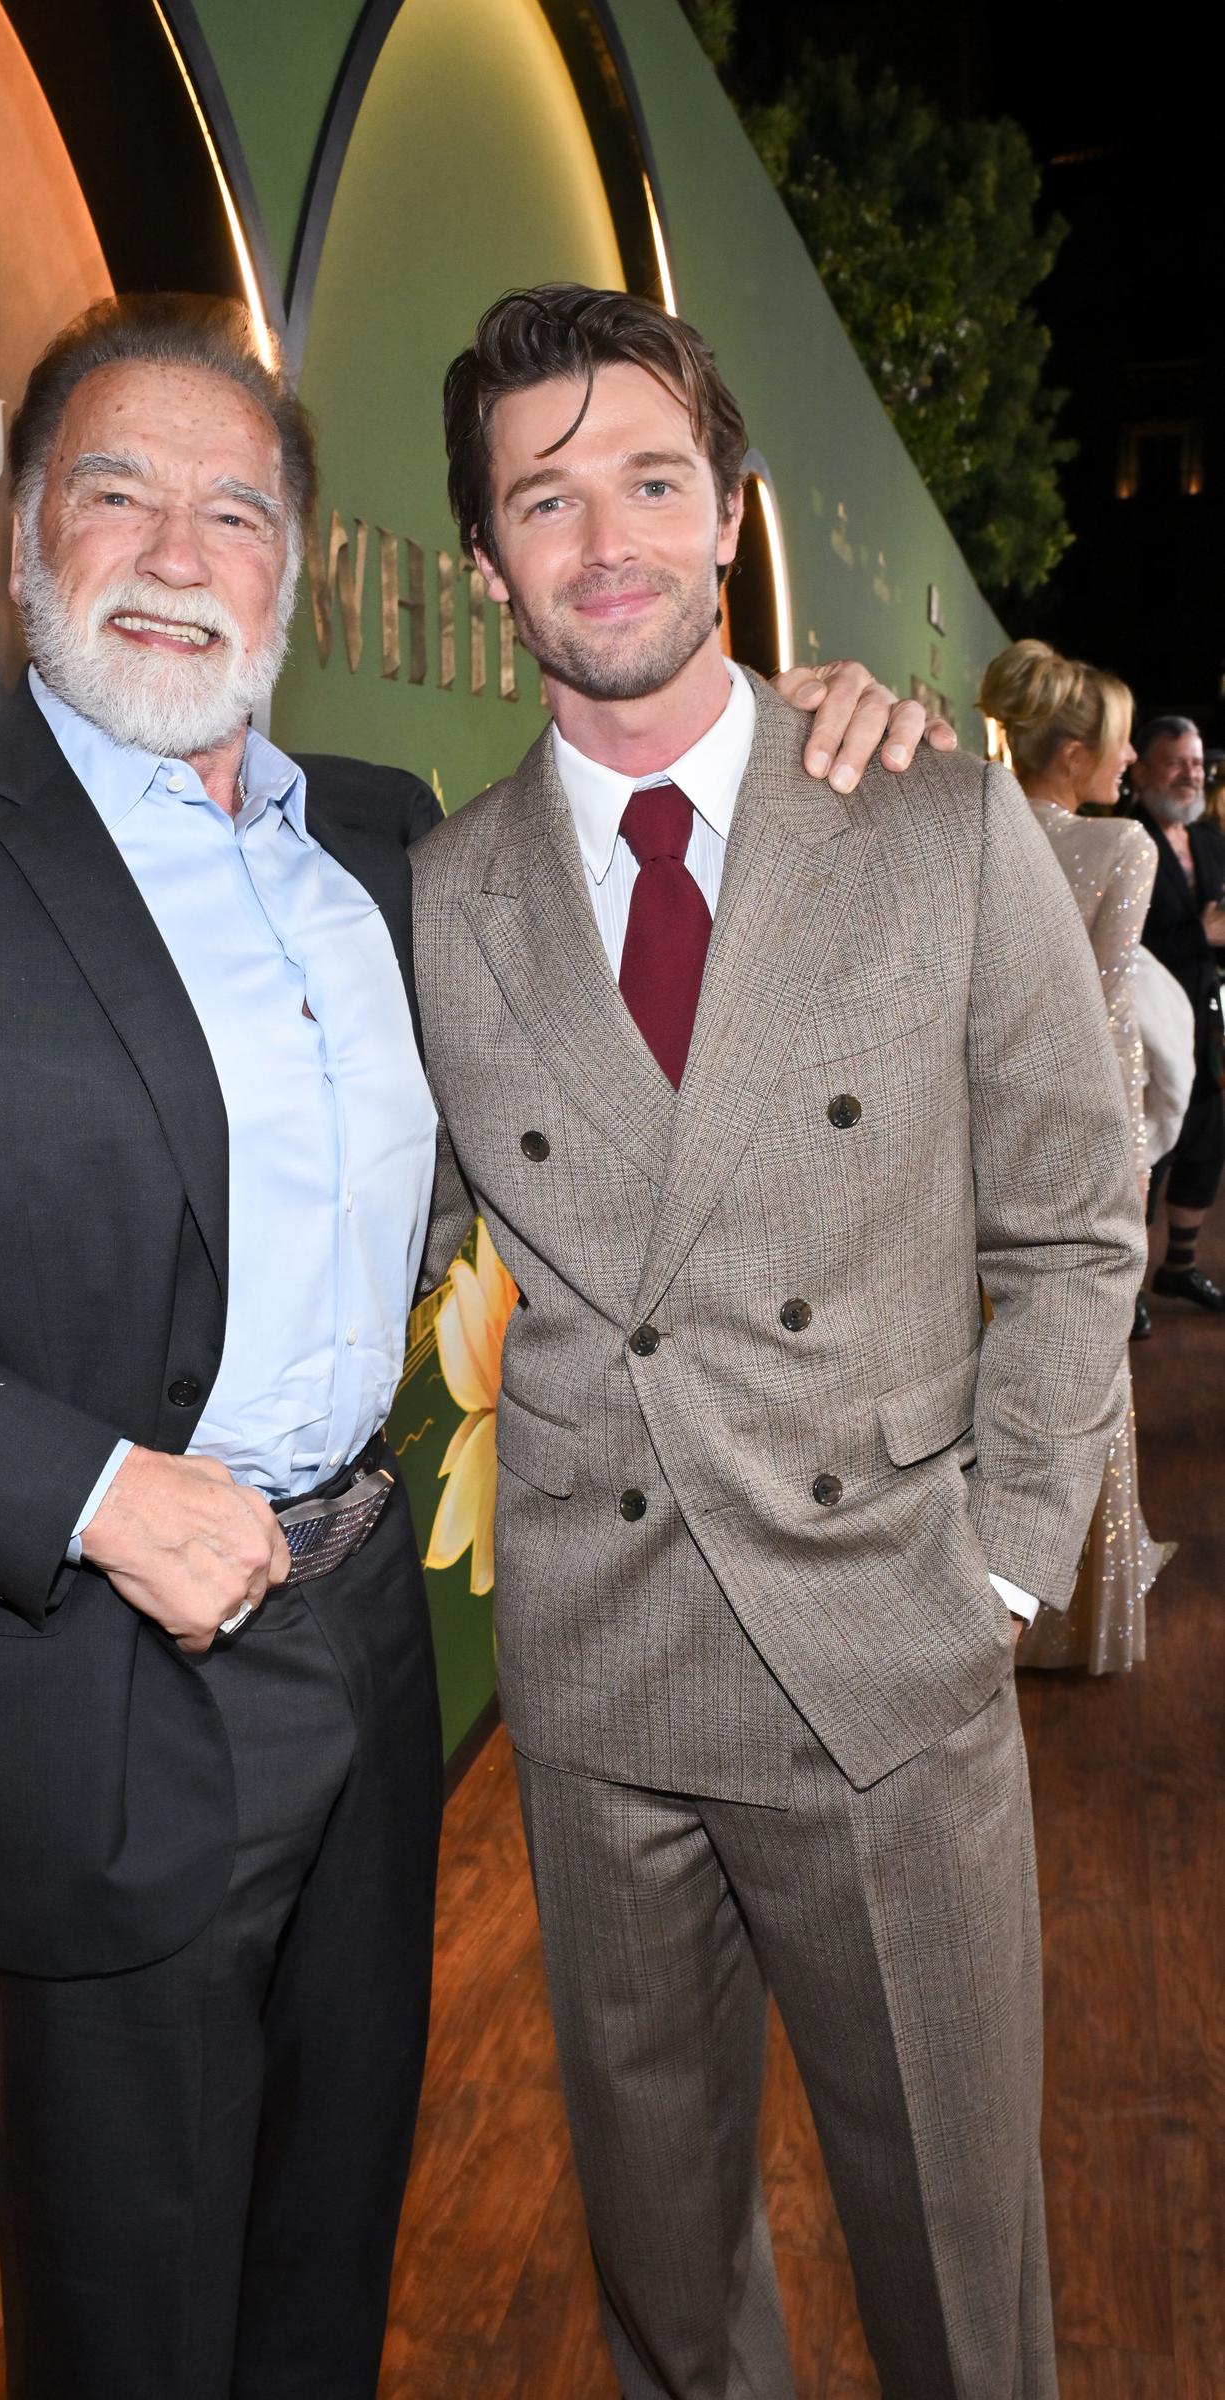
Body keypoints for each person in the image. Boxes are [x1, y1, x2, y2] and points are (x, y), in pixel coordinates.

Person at [0, 290, 935, 2400]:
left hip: (363, 1657)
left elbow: (652, 885)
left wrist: (828, 735)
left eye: (233, 511)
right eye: (117, 494)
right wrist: (98, 1497)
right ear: (27, 541)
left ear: (296, 575)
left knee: (329, 2256)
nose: (173, 550)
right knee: (134, 2321)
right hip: (98, 1684)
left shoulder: (390, 835)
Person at [413, 285, 1144, 2399]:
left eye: (652, 479)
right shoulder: (443, 894)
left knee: (959, 2278)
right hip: (601, 1676)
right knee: (665, 2283)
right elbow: (434, 1238)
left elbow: (1077, 1208)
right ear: (486, 563)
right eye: (546, 501)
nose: (607, 537)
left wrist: (1004, 1557)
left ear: (727, 511)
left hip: (883, 1660)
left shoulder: (924, 808)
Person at [977, 639, 1171, 1671]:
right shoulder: (1122, 849)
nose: (1132, 755)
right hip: (1075, 1127)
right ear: (1073, 752)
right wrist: (1126, 1152)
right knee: (1077, 1347)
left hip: (968, 1127)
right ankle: (1071, 1594)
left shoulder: (970, 823)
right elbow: (1109, 1011)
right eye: (1121, 737)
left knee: (983, 1344)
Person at [1127, 713, 1225, 1309]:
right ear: (1140, 768)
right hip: (1146, 1020)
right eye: (1176, 762)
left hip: (1208, 1016)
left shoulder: (1212, 840)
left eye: (1197, 764)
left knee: (1206, 1139)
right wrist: (1202, 931)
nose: (1191, 774)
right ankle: (1129, 1289)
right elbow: (1115, 944)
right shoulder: (1122, 834)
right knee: (1147, 1152)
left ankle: (1179, 1267)